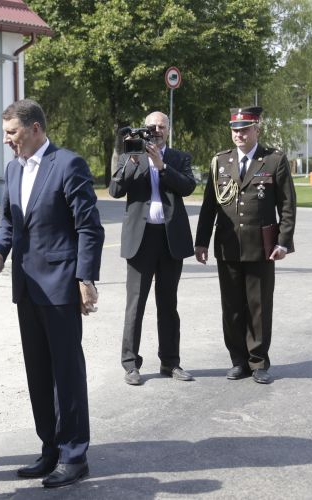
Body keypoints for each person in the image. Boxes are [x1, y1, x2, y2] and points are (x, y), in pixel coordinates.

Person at [0, 99, 104, 488]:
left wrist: (85, 278)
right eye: (5, 133)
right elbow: (10, 223)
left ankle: (74, 455)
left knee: (66, 373)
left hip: (60, 285)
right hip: (27, 286)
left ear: (35, 128)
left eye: (12, 132)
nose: (7, 140)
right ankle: (50, 448)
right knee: (38, 372)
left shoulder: (68, 164)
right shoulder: (13, 169)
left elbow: (88, 226)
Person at [195, 106, 296, 385]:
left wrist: (283, 242)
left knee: (259, 306)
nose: (239, 135)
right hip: (227, 246)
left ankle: (259, 361)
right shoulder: (220, 162)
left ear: (256, 130)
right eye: (235, 130)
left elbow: (287, 206)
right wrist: (201, 242)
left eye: (244, 130)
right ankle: (238, 360)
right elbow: (209, 206)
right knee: (232, 307)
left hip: (262, 246)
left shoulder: (273, 160)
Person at [109, 111, 196, 386]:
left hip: (170, 240)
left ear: (168, 129)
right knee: (135, 304)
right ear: (143, 129)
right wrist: (133, 161)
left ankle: (170, 362)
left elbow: (188, 187)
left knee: (168, 304)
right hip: (141, 240)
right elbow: (114, 190)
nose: (156, 131)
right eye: (151, 127)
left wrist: (162, 166)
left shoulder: (179, 158)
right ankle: (130, 364)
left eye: (161, 126)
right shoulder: (130, 155)